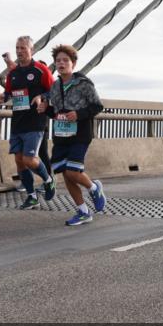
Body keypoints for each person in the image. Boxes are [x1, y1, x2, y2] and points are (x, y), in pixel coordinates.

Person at [38, 44, 106, 226]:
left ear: (73, 64)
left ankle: (94, 187)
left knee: (72, 171)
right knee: (66, 175)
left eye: (65, 60)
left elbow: (97, 106)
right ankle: (83, 211)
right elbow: (56, 113)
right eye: (58, 60)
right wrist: (46, 109)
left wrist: (78, 114)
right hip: (61, 135)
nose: (61, 63)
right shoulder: (55, 86)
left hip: (80, 134)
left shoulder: (84, 84)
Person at [0, 35, 56, 209]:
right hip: (18, 121)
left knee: (29, 159)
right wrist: (4, 96)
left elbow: (53, 90)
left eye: (23, 48)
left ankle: (48, 181)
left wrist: (42, 96)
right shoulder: (14, 73)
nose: (19, 51)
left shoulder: (40, 70)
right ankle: (32, 196)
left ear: (32, 50)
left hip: (35, 121)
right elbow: (9, 92)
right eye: (17, 48)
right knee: (19, 160)